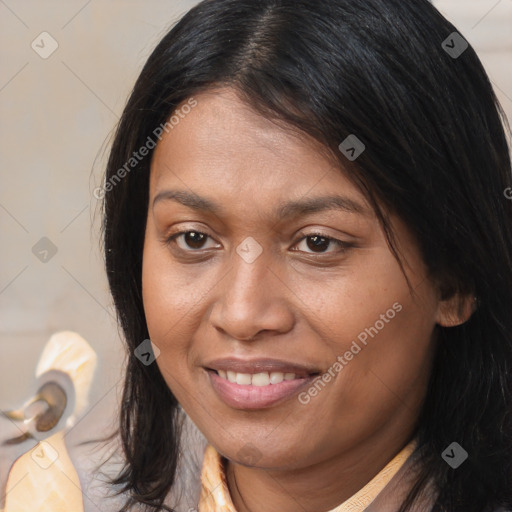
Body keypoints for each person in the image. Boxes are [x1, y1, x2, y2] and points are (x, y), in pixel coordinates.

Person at [95, 0, 512, 510]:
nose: (243, 315)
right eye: (193, 238)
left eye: (318, 243)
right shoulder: (50, 495)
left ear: (454, 278)